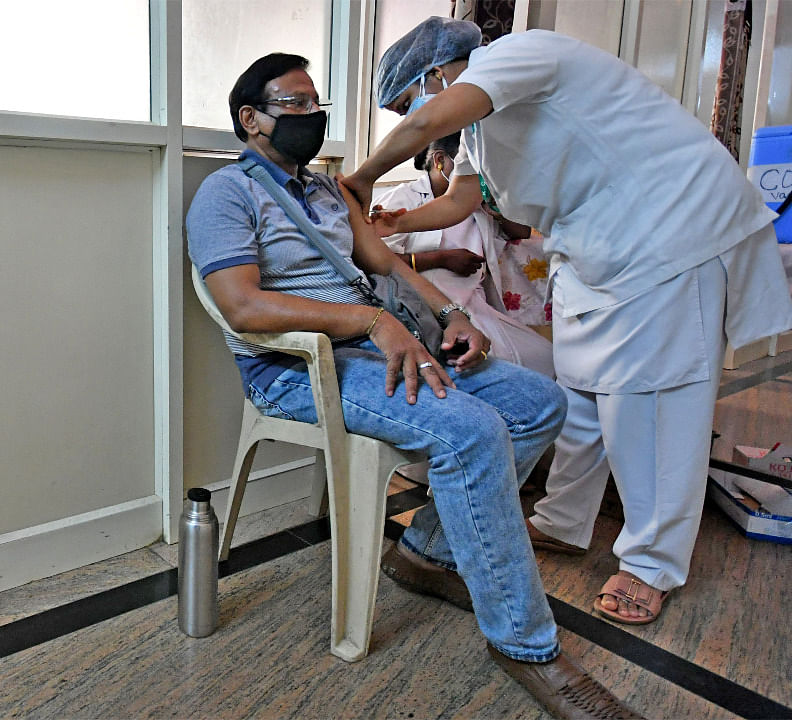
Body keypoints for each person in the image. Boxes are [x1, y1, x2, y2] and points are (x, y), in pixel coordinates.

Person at [187, 53, 638, 720]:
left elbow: (383, 262)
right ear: (251, 119)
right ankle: (526, 646)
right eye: (296, 105)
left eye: (318, 104)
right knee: (474, 432)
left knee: (541, 404)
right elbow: (244, 309)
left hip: (378, 347)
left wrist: (452, 314)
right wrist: (370, 322)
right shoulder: (226, 194)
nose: (313, 117)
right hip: (298, 370)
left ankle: (425, 549)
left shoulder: (328, 190)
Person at [344, 17, 792, 626]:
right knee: (576, 397)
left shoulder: (523, 55)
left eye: (408, 100)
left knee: (651, 409)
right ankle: (563, 521)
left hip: (667, 233)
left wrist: (361, 176)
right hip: (594, 249)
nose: (412, 117)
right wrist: (395, 225)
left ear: (437, 71)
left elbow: (428, 121)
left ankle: (651, 563)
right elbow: (461, 201)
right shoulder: (478, 128)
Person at [372, 132, 553, 376]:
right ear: (439, 160)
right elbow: (375, 262)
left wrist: (497, 206)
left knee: (543, 357)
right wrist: (441, 259)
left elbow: (518, 233)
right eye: (469, 168)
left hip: (476, 306)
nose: (475, 177)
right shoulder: (403, 199)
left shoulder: (476, 205)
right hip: (428, 308)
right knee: (490, 367)